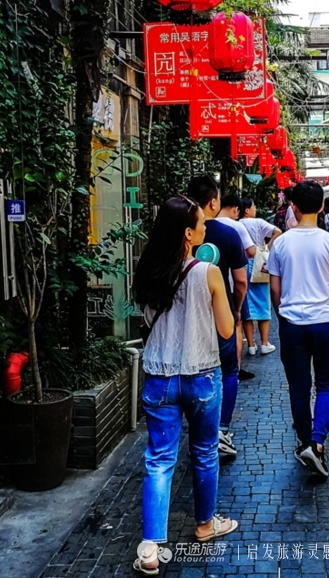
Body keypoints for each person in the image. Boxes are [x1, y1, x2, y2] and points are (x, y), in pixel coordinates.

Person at [130, 196, 238, 575]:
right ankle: (206, 525)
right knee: (205, 453)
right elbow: (226, 330)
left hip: (159, 378)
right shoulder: (206, 272)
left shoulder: (146, 272)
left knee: (159, 460)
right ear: (188, 233)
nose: (207, 228)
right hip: (202, 376)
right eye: (202, 223)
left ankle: (151, 548)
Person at [267, 181, 329, 478]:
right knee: (327, 385)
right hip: (325, 321)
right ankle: (317, 443)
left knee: (298, 387)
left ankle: (305, 441)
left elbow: (274, 291)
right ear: (320, 207)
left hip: (292, 324)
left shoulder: (281, 243)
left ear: (294, 207)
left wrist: (283, 316)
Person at [186, 177, 247, 458]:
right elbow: (241, 281)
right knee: (228, 370)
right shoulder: (227, 233)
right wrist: (235, 311)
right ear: (213, 202)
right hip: (217, 313)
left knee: (193, 371)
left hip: (184, 315)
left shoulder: (176, 231)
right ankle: (220, 429)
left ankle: (199, 429)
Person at [215, 194, 257, 381]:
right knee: (235, 326)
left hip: (205, 287)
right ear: (236, 209)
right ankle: (235, 368)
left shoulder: (204, 224)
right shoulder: (236, 226)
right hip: (230, 286)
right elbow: (251, 251)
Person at [239, 197, 282, 355]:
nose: (255, 208)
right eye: (254, 206)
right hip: (258, 264)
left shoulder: (236, 224)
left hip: (241, 264)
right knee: (263, 302)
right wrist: (266, 249)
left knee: (247, 305)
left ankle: (251, 345)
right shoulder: (258, 222)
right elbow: (277, 232)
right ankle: (264, 343)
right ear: (247, 210)